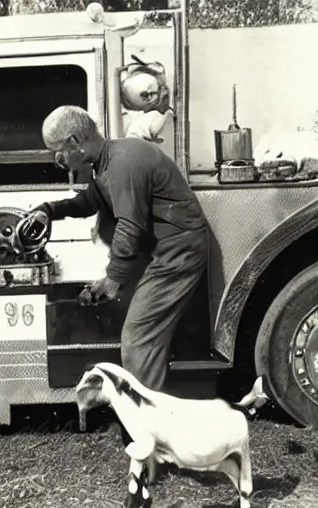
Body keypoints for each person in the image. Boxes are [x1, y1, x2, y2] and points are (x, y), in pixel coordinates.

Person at [33, 105, 208, 395]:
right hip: (164, 251)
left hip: (177, 253)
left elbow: (130, 227)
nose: (57, 159)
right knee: (143, 334)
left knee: (138, 338)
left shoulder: (123, 163)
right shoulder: (108, 162)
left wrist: (113, 279)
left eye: (58, 151)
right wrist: (50, 210)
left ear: (75, 142)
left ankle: (148, 425)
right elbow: (90, 201)